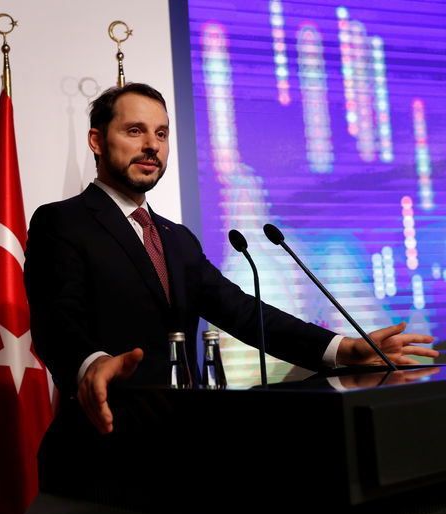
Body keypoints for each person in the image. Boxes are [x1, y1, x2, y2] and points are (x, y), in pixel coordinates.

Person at [23, 82, 437, 438]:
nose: (152, 145)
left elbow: (243, 313)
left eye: (162, 134)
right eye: (135, 131)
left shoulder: (176, 238)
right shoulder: (62, 222)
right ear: (96, 140)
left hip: (184, 438)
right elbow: (56, 320)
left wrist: (342, 348)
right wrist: (90, 365)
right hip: (105, 444)